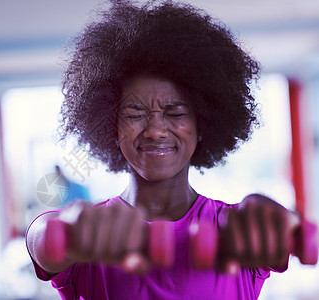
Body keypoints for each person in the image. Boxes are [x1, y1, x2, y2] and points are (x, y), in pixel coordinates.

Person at [26, 1, 302, 299]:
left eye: (175, 112)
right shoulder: (89, 235)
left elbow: (287, 233)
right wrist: (69, 232)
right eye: (135, 113)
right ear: (112, 127)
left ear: (202, 125)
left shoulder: (236, 230)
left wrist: (277, 219)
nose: (156, 130)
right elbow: (42, 239)